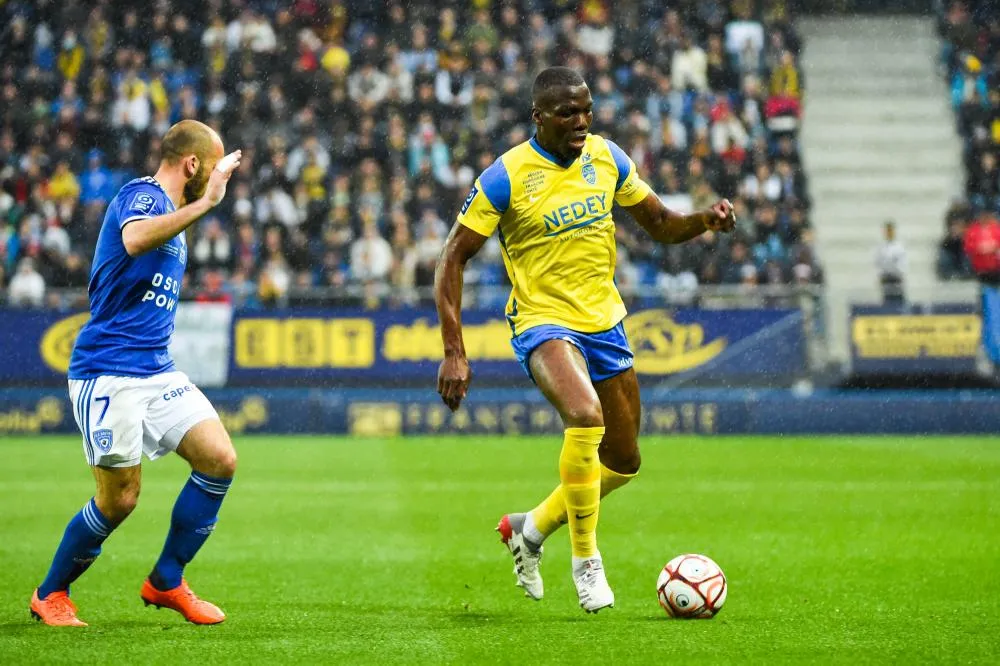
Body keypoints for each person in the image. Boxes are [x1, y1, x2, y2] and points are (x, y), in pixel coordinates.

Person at [434, 67, 734, 613]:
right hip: (542, 321)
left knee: (622, 462)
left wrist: (704, 221)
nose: (581, 121)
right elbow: (452, 257)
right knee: (585, 415)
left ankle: (529, 529)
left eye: (587, 110)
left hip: (605, 322)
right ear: (539, 117)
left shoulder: (607, 158)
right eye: (568, 113)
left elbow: (661, 223)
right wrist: (455, 350)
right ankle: (586, 562)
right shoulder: (506, 176)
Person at [30, 120, 242, 627]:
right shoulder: (142, 197)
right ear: (192, 164)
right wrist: (206, 203)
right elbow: (133, 241)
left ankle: (167, 579)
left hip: (156, 368)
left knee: (219, 459)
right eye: (213, 169)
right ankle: (50, 593)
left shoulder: (175, 215)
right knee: (119, 499)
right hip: (108, 371)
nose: (217, 182)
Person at [875, 220, 906, 305]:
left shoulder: (899, 247)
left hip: (896, 279)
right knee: (887, 302)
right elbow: (879, 263)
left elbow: (902, 264)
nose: (889, 233)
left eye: (891, 230)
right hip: (886, 279)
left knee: (898, 302)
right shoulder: (881, 248)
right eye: (887, 231)